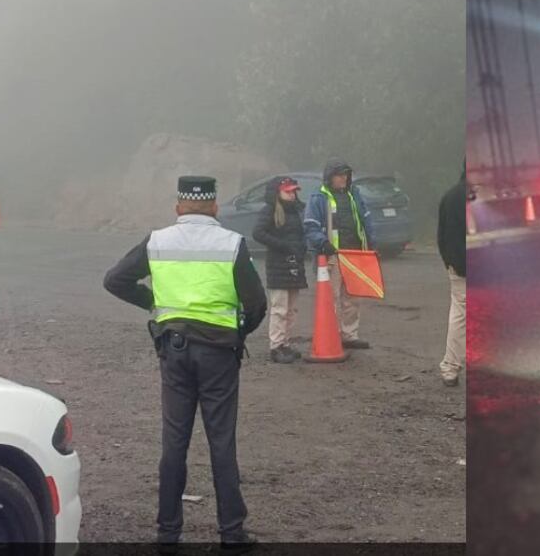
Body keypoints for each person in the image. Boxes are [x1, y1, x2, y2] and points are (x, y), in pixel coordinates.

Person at [103, 175, 267, 549]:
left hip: (174, 350)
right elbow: (257, 305)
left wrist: (156, 306)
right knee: (221, 441)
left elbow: (115, 280)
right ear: (214, 206)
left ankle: (168, 531)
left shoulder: (157, 240)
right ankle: (231, 531)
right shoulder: (232, 244)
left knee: (174, 442)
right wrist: (238, 333)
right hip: (219, 352)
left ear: (178, 208)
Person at [304, 158, 375, 349]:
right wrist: (323, 244)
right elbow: (310, 227)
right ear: (330, 177)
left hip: (355, 254)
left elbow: (366, 219)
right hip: (332, 256)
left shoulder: (355, 194)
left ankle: (349, 335)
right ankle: (331, 335)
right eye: (339, 175)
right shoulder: (318, 198)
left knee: (353, 298)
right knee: (331, 298)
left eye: (346, 175)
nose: (343, 178)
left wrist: (370, 243)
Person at [251, 176, 307, 364]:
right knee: (280, 308)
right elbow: (258, 233)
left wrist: (302, 249)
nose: (292, 195)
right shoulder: (270, 210)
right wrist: (281, 245)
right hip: (278, 265)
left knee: (292, 309)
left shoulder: (297, 211)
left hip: (294, 264)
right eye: (288, 191)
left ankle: (286, 343)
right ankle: (276, 346)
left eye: (293, 191)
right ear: (278, 193)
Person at [437, 162, 468, 387]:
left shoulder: (450, 197)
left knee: (459, 315)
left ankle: (451, 367)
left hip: (458, 267)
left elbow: (442, 236)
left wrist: (450, 262)